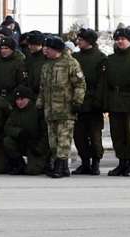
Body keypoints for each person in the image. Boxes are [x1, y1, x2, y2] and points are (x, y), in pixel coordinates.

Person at [35, 35, 86, 178]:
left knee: (64, 139)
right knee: (53, 141)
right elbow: (43, 88)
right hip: (50, 110)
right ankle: (61, 166)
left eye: (49, 49)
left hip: (65, 109)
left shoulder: (71, 63)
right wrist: (40, 105)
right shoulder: (47, 65)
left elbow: (80, 84)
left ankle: (60, 165)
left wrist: (77, 102)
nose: (46, 51)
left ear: (57, 50)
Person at [103, 27, 130, 177]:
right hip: (115, 100)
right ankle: (121, 162)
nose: (119, 42)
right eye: (117, 39)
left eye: (122, 39)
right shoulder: (111, 60)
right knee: (117, 134)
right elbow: (106, 83)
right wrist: (105, 102)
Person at [73, 28, 106, 175]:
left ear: (89, 41)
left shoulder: (100, 58)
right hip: (78, 101)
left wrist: (98, 101)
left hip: (93, 101)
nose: (78, 42)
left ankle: (96, 162)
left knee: (94, 134)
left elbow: (102, 82)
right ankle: (85, 161)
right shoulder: (75, 58)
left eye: (80, 40)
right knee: (79, 134)